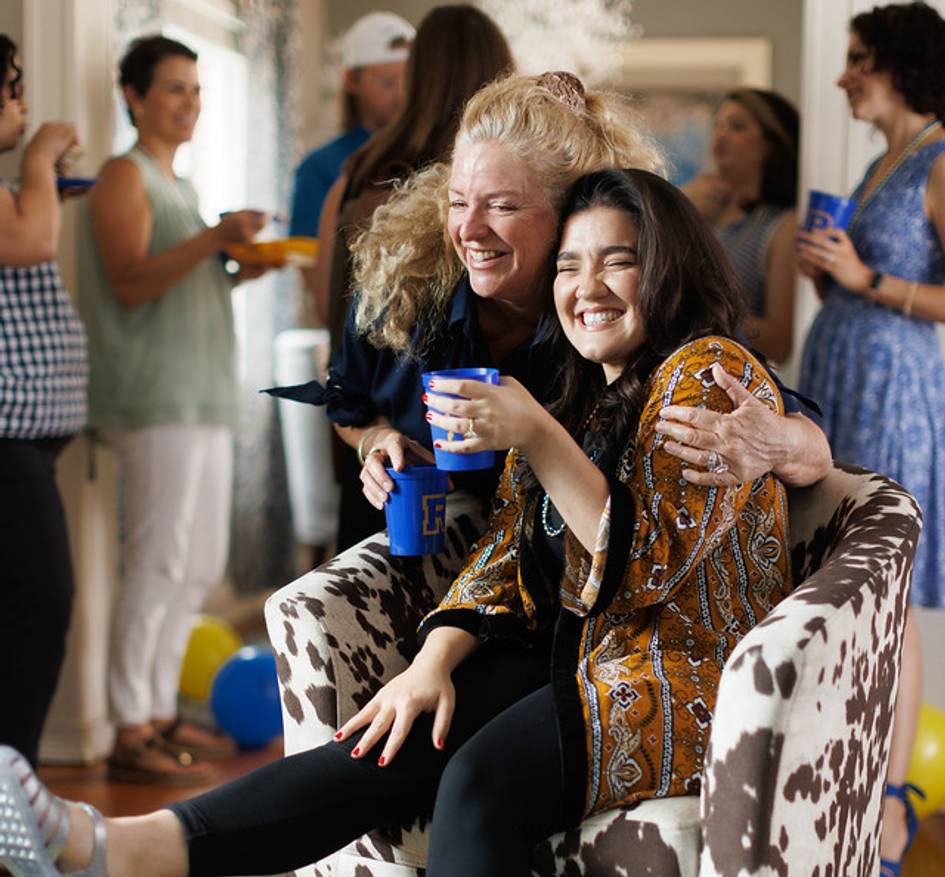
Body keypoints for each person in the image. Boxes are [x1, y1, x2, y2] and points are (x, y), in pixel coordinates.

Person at [0, 166, 794, 877]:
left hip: (683, 677)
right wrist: (432, 660)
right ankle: (113, 847)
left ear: (668, 269)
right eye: (568, 264)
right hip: (576, 657)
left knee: (479, 781)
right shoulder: (578, 389)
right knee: (391, 736)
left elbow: (645, 563)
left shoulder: (708, 373)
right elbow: (505, 551)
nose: (587, 285)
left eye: (618, 259)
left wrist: (535, 434)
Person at [271, 72, 829, 556]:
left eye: (504, 205)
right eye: (460, 201)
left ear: (569, 214)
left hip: (559, 591)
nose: (469, 229)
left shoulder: (615, 319)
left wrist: (774, 444)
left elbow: (812, 446)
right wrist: (376, 440)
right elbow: (348, 403)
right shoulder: (405, 290)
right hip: (414, 560)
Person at [78, 34, 269, 785]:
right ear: (134, 96)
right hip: (155, 398)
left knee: (195, 567)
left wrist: (231, 265)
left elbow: (179, 277)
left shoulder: (177, 185)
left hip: (201, 394)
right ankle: (130, 724)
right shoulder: (123, 178)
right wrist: (215, 239)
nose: (189, 102)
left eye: (196, 89)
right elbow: (129, 281)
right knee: (157, 561)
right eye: (174, 89)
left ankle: (158, 711)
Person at [795, 3, 945, 873]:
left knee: (881, 582)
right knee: (831, 569)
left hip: (894, 387)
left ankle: (888, 803)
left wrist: (868, 276)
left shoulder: (937, 155)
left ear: (900, 64)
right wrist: (833, 280)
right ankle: (839, 779)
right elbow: (855, 290)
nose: (846, 74)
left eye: (858, 60)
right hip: (842, 373)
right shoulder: (875, 159)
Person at [309, 4, 513, 550]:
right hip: (465, 448)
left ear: (417, 74)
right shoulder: (502, 176)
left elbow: (324, 300)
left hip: (368, 419)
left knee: (369, 593)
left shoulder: (356, 174)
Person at [0, 35, 88, 769]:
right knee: (41, 602)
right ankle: (13, 788)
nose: (21, 105)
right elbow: (28, 244)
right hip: (4, 440)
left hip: (24, 435)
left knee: (24, 607)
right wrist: (38, 157)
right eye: (10, 89)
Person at [289, 11, 414, 298]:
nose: (402, 93)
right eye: (387, 82)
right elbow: (320, 292)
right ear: (351, 81)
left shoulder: (437, 155)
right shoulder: (318, 169)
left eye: (410, 81)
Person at [683, 88, 799, 364]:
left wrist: (694, 310)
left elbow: (780, 343)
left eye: (736, 127)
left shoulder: (781, 225)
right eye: (717, 126)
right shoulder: (701, 212)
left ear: (770, 144)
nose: (720, 135)